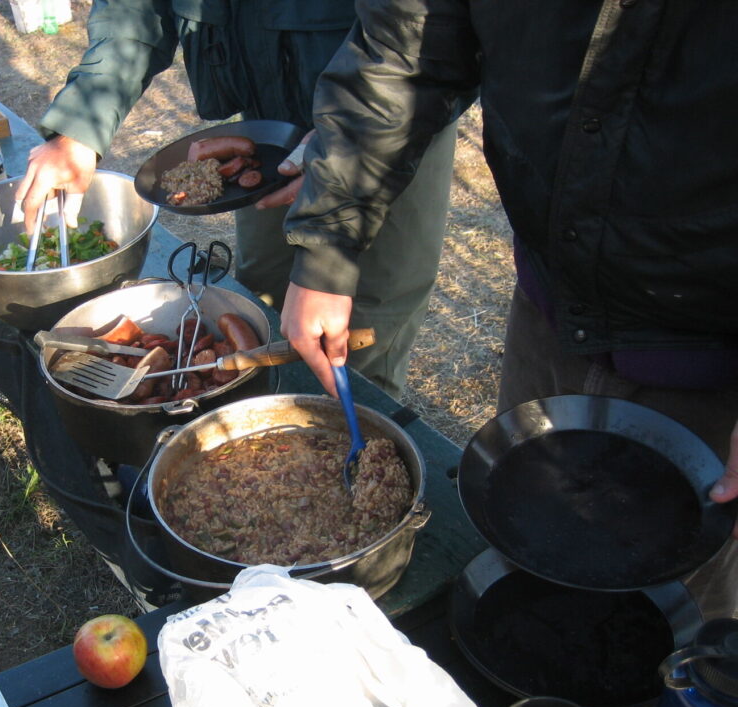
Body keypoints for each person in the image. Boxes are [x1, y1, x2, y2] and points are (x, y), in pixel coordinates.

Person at [278, 2, 738, 618]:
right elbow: (404, 54)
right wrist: (327, 249)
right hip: (550, 317)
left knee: (678, 625)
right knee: (522, 575)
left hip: (711, 373)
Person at [15, 0, 469, 400]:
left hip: (387, 134)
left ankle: (355, 434)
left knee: (358, 324)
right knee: (262, 299)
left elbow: (424, 31)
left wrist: (348, 147)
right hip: (269, 135)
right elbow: (135, 9)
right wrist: (81, 122)